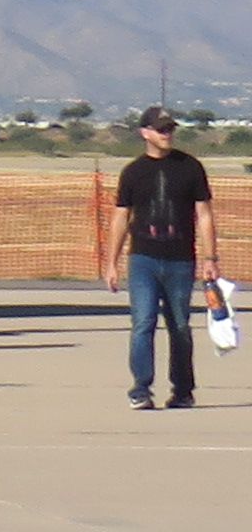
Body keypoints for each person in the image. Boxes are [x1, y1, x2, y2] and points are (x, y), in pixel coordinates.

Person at [115, 107, 217, 412]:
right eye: (161, 129)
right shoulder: (133, 172)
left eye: (170, 129)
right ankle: (141, 388)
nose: (167, 134)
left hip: (180, 260)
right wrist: (111, 262)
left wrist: (211, 257)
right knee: (143, 323)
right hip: (143, 259)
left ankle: (183, 390)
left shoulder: (190, 168)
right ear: (145, 133)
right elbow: (121, 216)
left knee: (180, 326)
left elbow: (204, 214)